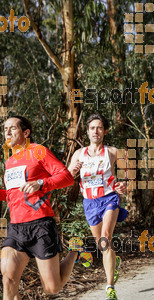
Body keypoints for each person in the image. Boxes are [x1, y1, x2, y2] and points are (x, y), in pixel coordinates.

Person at [0, 116, 90, 300]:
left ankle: (75, 250)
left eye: (12, 128)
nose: (7, 132)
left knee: (52, 288)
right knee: (8, 280)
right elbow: (11, 195)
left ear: (26, 133)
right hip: (16, 228)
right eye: (5, 129)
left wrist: (41, 183)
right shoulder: (9, 162)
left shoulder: (38, 151)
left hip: (40, 225)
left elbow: (66, 177)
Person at [68, 113, 128, 300]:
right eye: (92, 128)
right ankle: (113, 261)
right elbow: (67, 176)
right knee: (102, 245)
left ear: (105, 131)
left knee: (106, 238)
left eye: (99, 127)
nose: (96, 131)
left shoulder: (112, 152)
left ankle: (110, 287)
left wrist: (125, 184)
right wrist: (73, 171)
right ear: (87, 131)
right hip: (89, 202)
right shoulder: (79, 153)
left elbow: (129, 171)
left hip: (109, 198)